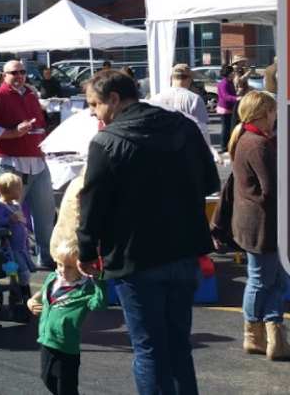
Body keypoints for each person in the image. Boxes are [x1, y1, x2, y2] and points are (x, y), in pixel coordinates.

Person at [78, 70, 217, 393]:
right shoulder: (183, 126)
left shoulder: (107, 141)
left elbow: (93, 206)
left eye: (95, 105)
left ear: (114, 99)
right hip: (183, 248)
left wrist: (86, 251)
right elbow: (210, 181)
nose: (93, 112)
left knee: (150, 348)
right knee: (178, 344)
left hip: (135, 256)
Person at [214, 91, 288, 360]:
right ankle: (259, 333)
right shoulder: (257, 143)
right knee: (262, 280)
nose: (276, 114)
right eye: (273, 110)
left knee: (274, 279)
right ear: (263, 113)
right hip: (262, 225)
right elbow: (271, 189)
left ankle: (271, 334)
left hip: (257, 223)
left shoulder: (251, 138)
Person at [0, 59, 56, 268]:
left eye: (22, 72)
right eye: (14, 72)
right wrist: (11, 133)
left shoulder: (31, 95)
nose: (19, 75)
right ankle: (12, 259)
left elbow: (38, 123)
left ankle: (46, 258)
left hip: (36, 160)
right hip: (8, 162)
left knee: (45, 213)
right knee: (11, 216)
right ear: (4, 76)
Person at [27, 240, 106, 395]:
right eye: (59, 264)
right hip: (46, 340)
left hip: (66, 346)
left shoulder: (86, 289)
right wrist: (31, 301)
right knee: (47, 379)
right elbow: (42, 293)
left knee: (66, 388)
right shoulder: (53, 278)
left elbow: (100, 304)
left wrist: (99, 280)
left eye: (68, 267)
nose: (62, 270)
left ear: (80, 268)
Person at [149, 64, 214, 158]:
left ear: (171, 78)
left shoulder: (155, 99)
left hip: (161, 152)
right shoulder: (194, 99)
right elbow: (202, 129)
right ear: (190, 79)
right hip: (187, 152)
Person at [0, 172, 35, 287]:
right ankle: (22, 289)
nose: (21, 191)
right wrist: (8, 220)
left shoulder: (15, 204)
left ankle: (16, 289)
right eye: (18, 189)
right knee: (21, 270)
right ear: (7, 190)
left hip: (21, 246)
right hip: (9, 247)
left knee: (19, 268)